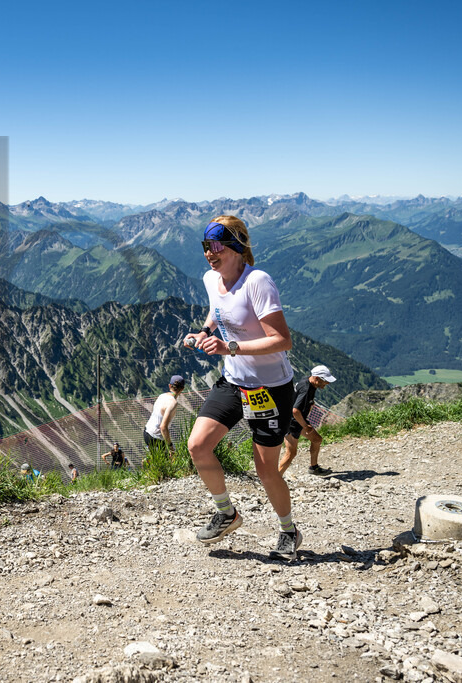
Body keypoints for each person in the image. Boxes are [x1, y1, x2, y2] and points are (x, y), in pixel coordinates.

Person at [184, 215, 301, 561]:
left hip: (270, 387)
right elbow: (217, 311)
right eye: (206, 246)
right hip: (234, 381)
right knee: (198, 445)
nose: (209, 253)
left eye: (217, 245)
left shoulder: (258, 282)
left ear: (237, 246)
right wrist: (205, 332)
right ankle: (226, 513)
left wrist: (229, 347)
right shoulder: (211, 278)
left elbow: (282, 341)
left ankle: (288, 531)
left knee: (265, 469)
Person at [279, 365, 337, 476]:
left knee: (317, 440)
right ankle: (275, 479)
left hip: (298, 420)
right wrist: (305, 426)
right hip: (291, 423)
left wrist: (310, 402)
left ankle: (314, 468)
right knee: (291, 453)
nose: (327, 384)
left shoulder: (307, 381)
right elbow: (295, 411)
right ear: (317, 378)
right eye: (325, 381)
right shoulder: (306, 389)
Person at [143, 375, 187, 455]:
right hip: (155, 438)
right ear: (182, 389)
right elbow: (163, 427)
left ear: (169, 386)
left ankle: (148, 461)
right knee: (168, 461)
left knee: (156, 460)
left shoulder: (161, 396)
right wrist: (170, 446)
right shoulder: (173, 403)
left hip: (147, 432)